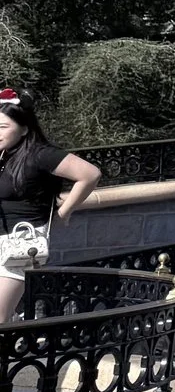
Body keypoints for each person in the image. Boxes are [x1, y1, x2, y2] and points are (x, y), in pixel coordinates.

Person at [0, 93, 101, 322]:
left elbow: (90, 174)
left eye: (3, 127)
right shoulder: (5, 155)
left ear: (24, 129)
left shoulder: (40, 154)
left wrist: (64, 212)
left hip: (20, 244)